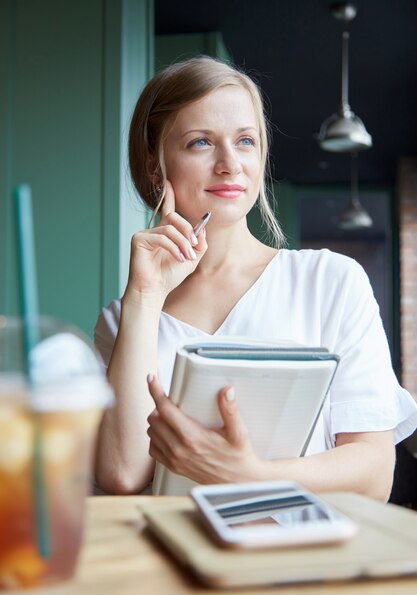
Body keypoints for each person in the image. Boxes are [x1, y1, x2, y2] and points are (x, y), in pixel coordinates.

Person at [94, 56, 417, 500]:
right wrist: (145, 299)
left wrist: (247, 473)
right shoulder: (125, 319)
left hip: (306, 560)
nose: (230, 164)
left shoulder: (331, 282)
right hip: (174, 563)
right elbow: (122, 475)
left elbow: (374, 474)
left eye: (245, 141)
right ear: (156, 167)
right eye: (201, 143)